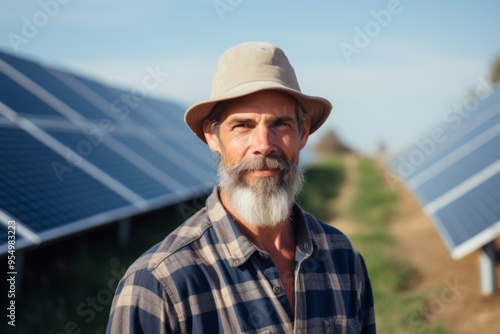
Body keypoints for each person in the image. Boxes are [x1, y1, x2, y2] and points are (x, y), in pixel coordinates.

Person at [107, 41, 376, 333]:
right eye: (243, 126)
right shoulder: (159, 284)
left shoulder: (343, 257)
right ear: (212, 136)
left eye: (281, 124)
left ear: (303, 133)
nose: (263, 145)